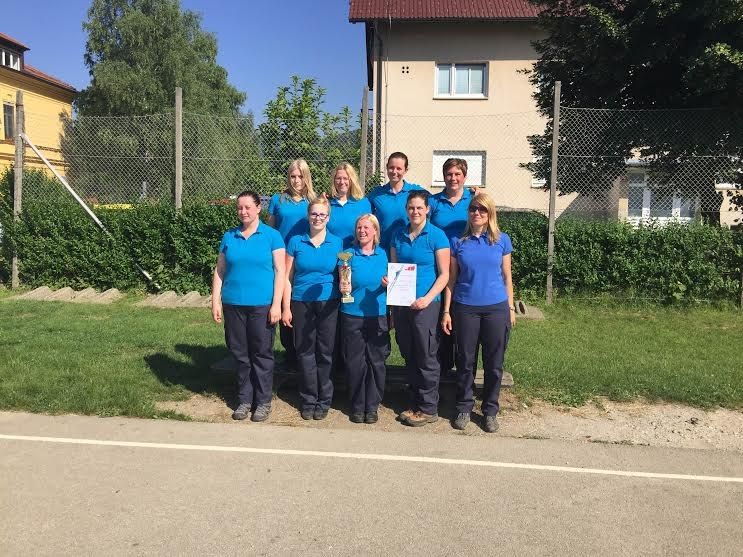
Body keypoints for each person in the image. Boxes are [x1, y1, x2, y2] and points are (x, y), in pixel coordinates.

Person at [441, 193, 515, 433]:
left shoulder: (502, 240)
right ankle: (464, 406)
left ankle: (490, 410)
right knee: (465, 361)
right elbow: (451, 279)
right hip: (465, 308)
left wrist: (510, 308)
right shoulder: (457, 241)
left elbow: (507, 277)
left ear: (490, 213)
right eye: (473, 209)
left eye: (482, 209)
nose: (477, 213)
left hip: (496, 308)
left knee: (494, 363)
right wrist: (446, 311)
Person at [211, 190, 285, 423]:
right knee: (240, 354)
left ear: (258, 208)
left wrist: (277, 304)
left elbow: (281, 271)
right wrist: (215, 300)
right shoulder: (229, 236)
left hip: (262, 305)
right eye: (240, 208)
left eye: (247, 207)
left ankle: (263, 401)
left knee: (261, 354)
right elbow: (220, 270)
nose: (243, 212)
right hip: (233, 304)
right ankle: (245, 399)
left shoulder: (272, 236)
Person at [388, 191, 450, 427]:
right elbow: (394, 267)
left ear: (427, 210)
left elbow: (444, 275)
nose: (415, 212)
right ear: (406, 210)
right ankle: (414, 401)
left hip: (426, 305)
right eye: (411, 208)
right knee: (409, 352)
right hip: (402, 304)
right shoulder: (398, 235)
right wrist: (389, 286)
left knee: (426, 355)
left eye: (419, 208)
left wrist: (427, 299)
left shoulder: (437, 236)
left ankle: (428, 408)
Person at [282, 197, 343, 421]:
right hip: (301, 302)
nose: (318, 218)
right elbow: (287, 277)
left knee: (326, 352)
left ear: (328, 217)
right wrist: (286, 306)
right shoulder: (295, 241)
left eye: (322, 214)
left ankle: (324, 399)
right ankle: (308, 398)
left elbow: (343, 273)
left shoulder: (337, 243)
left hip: (329, 302)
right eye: (314, 214)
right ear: (308, 216)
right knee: (305, 351)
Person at [339, 214, 390, 424]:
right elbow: (343, 282)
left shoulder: (384, 254)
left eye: (367, 227)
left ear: (375, 231)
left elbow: (395, 282)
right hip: (352, 314)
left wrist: (389, 283)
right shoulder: (347, 255)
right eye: (359, 227)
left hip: (377, 314)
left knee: (376, 362)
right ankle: (358, 405)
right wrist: (343, 286)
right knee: (355, 362)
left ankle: (372, 405)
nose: (362, 231)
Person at [268, 159, 317, 367]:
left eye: (300, 176)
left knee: (301, 304)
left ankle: (306, 351)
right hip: (281, 259)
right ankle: (290, 353)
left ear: (306, 177)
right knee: (283, 303)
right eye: (293, 176)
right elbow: (270, 230)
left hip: (304, 259)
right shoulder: (278, 199)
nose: (296, 180)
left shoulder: (313, 200)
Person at [429, 158, 475, 374]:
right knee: (440, 313)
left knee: (462, 313)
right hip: (439, 266)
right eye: (449, 174)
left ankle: (464, 367)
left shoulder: (473, 200)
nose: (453, 178)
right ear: (443, 176)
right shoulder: (434, 202)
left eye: (457, 174)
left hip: (466, 265)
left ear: (465, 176)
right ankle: (443, 365)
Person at [368, 152, 425, 251]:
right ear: (387, 168)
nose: (394, 171)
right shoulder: (377, 194)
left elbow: (433, 207)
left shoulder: (416, 192)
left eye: (399, 168)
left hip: (409, 249)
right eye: (391, 167)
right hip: (383, 249)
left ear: (405, 170)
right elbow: (364, 215)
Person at [326, 163, 372, 249]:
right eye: (338, 178)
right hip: (330, 253)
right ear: (334, 181)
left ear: (352, 180)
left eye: (345, 178)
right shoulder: (326, 204)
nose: (342, 182)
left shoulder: (363, 203)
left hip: (355, 253)